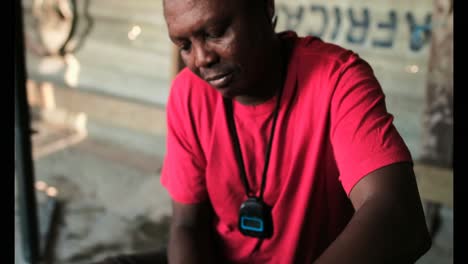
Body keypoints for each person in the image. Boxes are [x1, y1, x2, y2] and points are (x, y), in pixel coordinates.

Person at [96, 0, 432, 263]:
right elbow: (186, 225)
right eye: (184, 44)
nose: (201, 59)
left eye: (215, 32)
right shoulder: (189, 94)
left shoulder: (337, 79)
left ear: (266, 7)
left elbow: (398, 217)